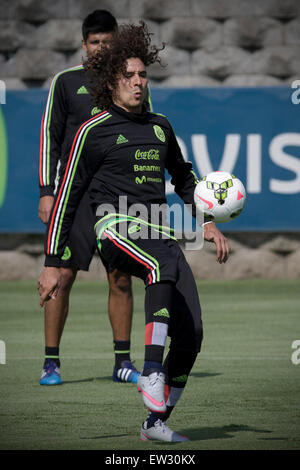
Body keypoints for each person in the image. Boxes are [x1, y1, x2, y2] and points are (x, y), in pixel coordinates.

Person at [37, 22, 230, 442]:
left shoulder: (160, 126)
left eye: (143, 74)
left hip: (156, 232)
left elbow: (184, 178)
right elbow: (67, 198)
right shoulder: (93, 131)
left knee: (192, 332)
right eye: (129, 75)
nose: (138, 82)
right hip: (114, 225)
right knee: (161, 264)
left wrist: (208, 221)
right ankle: (150, 370)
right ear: (112, 81)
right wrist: (53, 263)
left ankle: (155, 423)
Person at [38, 10, 142, 386]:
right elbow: (49, 136)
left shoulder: (128, 81)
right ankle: (51, 363)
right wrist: (47, 190)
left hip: (116, 196)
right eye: (94, 42)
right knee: (61, 276)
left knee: (121, 278)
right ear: (84, 45)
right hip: (74, 196)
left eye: (107, 41)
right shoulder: (65, 82)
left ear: (117, 42)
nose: (101, 48)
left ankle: (123, 363)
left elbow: (142, 135)